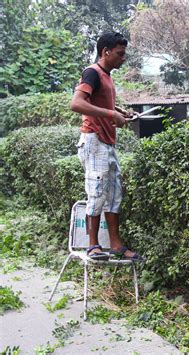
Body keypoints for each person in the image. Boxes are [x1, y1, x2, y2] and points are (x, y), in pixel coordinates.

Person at [70, 32, 143, 260]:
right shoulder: (92, 72)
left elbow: (101, 102)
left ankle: (116, 245)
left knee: (114, 195)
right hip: (94, 140)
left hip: (108, 142)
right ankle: (93, 246)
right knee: (97, 191)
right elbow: (77, 103)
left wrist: (120, 112)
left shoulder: (107, 76)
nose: (123, 58)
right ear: (106, 52)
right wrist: (112, 114)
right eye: (120, 54)